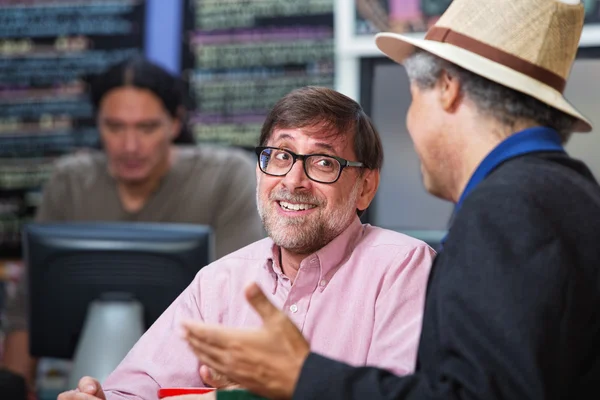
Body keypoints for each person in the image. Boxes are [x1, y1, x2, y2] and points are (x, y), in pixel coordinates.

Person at [175, 0, 600, 399]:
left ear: (448, 88)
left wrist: (300, 375)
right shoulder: (568, 193)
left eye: (413, 99)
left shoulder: (507, 206)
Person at [57, 86, 435, 400]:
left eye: (322, 162)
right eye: (281, 155)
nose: (292, 181)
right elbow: (138, 388)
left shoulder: (403, 267)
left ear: (364, 187)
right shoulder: (220, 280)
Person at [0, 57, 264, 393]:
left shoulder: (227, 177)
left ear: (175, 122)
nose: (129, 146)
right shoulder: (71, 181)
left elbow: (239, 301)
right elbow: (28, 309)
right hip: (82, 377)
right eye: (115, 126)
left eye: (147, 127)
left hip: (190, 383)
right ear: (97, 123)